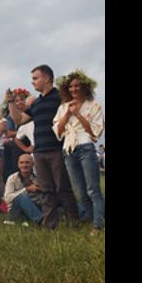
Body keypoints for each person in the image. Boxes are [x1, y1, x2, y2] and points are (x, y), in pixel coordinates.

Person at [8, 65, 79, 229]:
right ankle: (49, 224)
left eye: (35, 78)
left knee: (63, 188)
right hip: (39, 152)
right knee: (45, 189)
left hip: (57, 149)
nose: (32, 82)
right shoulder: (37, 102)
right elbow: (19, 120)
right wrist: (11, 102)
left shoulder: (60, 97)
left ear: (46, 78)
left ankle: (74, 222)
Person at [54, 70, 105, 234]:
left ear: (85, 87)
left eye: (77, 86)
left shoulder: (94, 106)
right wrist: (68, 114)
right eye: (70, 86)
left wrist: (78, 114)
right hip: (69, 149)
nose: (73, 89)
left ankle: (98, 225)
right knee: (81, 192)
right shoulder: (63, 107)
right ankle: (91, 219)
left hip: (86, 147)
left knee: (93, 189)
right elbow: (58, 131)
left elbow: (95, 132)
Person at [2, 154, 42, 226]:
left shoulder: (38, 178)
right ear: (18, 165)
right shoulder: (12, 178)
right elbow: (7, 198)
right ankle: (41, 220)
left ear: (33, 164)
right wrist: (27, 190)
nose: (24, 165)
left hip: (34, 206)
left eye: (27, 162)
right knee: (21, 197)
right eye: (21, 162)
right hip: (16, 210)